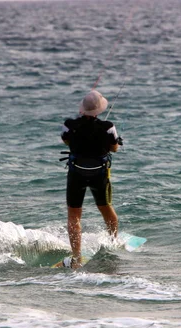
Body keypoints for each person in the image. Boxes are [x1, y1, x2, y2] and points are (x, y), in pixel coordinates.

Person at [60, 90, 122, 269]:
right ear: (99, 110)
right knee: (106, 208)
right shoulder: (108, 127)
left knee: (74, 215)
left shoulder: (69, 125)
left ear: (83, 109)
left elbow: (67, 142)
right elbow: (114, 148)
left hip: (76, 173)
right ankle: (113, 242)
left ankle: (76, 258)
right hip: (99, 174)